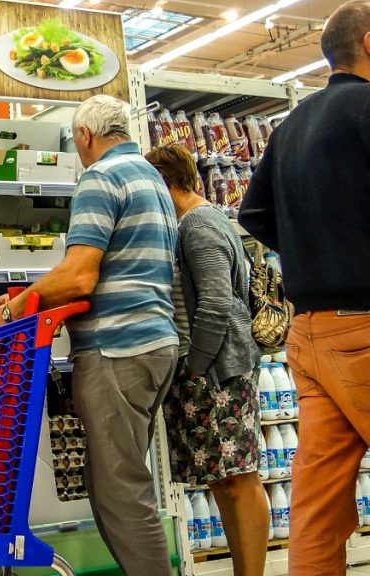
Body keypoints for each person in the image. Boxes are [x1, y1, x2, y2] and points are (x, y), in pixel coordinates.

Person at [0, 94, 178, 576]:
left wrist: (13, 307)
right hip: (155, 341)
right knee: (113, 479)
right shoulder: (150, 176)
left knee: (121, 487)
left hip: (118, 348)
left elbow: (78, 276)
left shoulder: (101, 177)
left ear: (84, 136)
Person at [239, 2, 370, 574]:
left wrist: (317, 251)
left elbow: (254, 213)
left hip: (310, 335)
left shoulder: (290, 126)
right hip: (366, 329)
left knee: (317, 505)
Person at [146, 145, 267, 575]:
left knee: (238, 480)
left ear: (163, 182)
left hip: (218, 372)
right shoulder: (195, 221)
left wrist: (196, 367)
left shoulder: (199, 224)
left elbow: (215, 302)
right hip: (212, 370)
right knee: (224, 480)